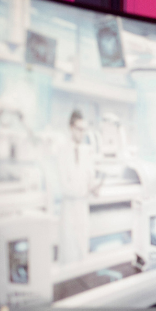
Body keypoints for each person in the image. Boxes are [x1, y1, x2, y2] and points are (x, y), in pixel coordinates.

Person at [58, 109, 98, 264]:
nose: (82, 133)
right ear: (71, 127)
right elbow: (64, 186)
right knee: (69, 255)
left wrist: (94, 187)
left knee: (82, 252)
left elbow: (90, 176)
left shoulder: (87, 151)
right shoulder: (62, 151)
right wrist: (85, 190)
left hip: (82, 209)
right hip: (69, 210)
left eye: (84, 130)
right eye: (79, 129)